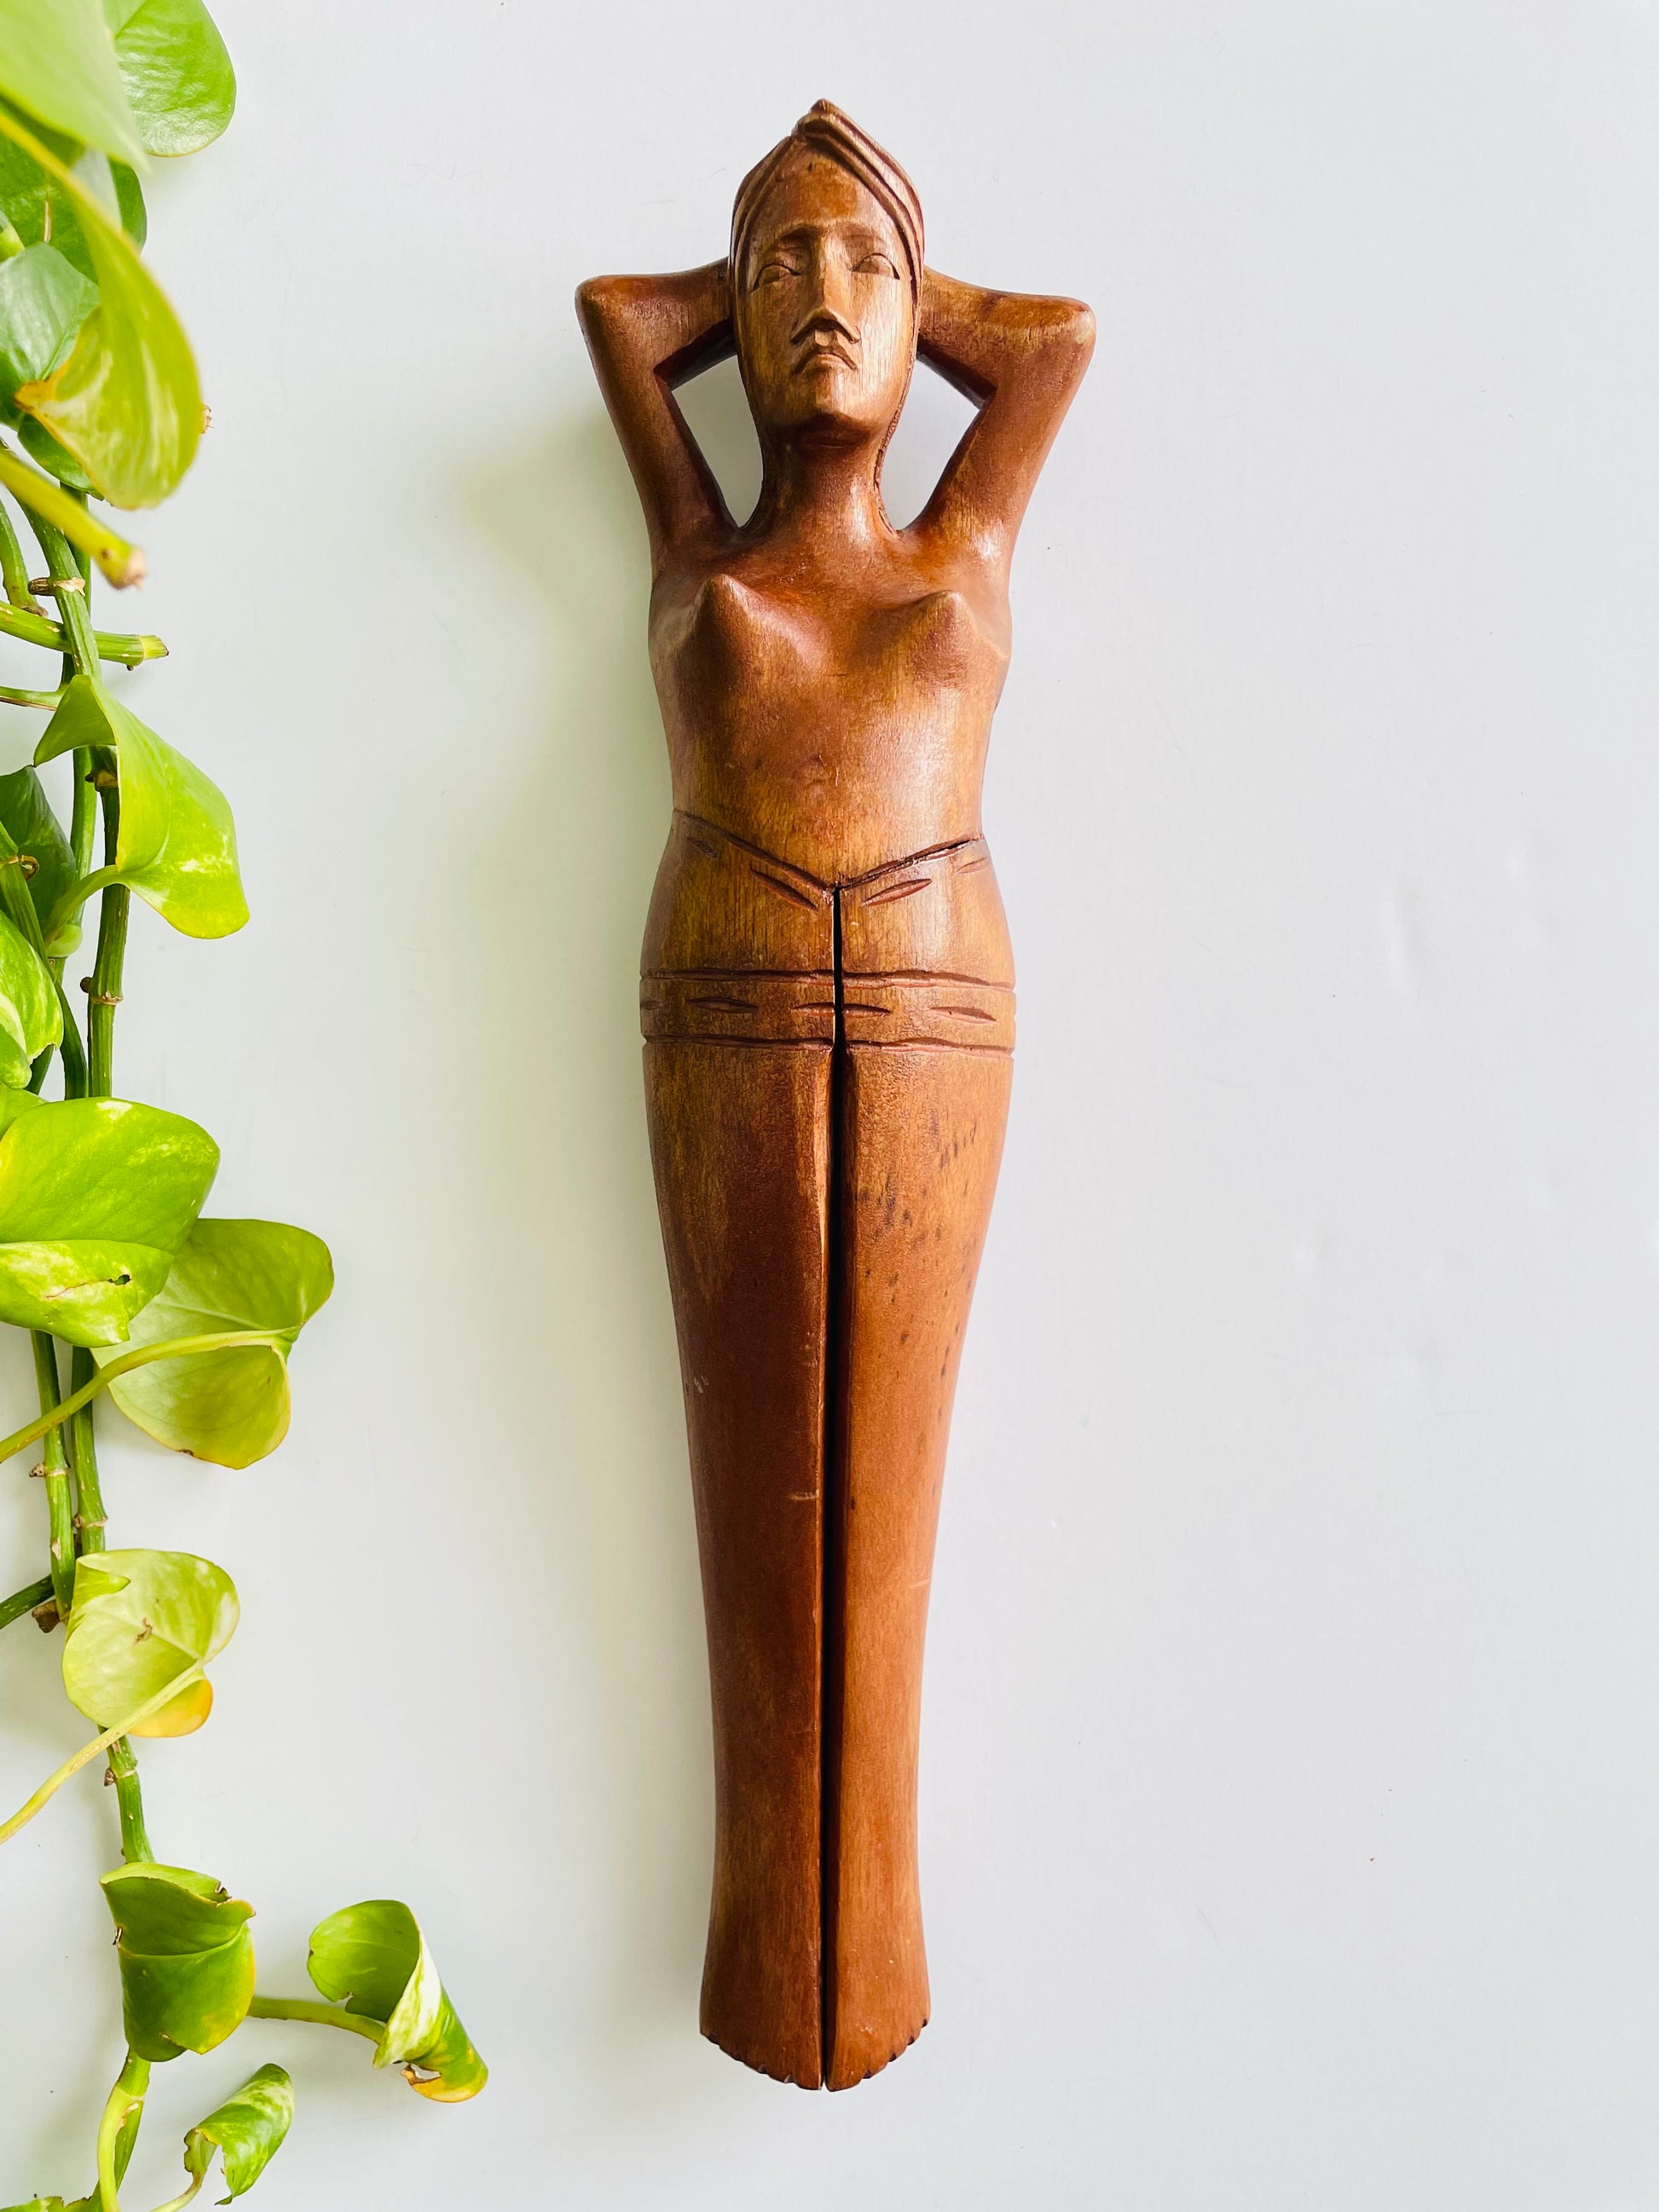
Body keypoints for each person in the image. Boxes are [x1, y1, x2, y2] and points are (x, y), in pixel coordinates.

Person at [579, 99, 1093, 2090]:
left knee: (886, 1496)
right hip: (719, 996)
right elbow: (619, 320)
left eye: (862, 268)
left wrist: (887, 274)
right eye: (781, 265)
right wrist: (779, 276)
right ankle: (760, 1938)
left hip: (939, 1003)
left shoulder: (964, 541)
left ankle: (869, 1947)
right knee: (753, 1478)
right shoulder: (694, 546)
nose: (820, 296)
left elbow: (1052, 345)